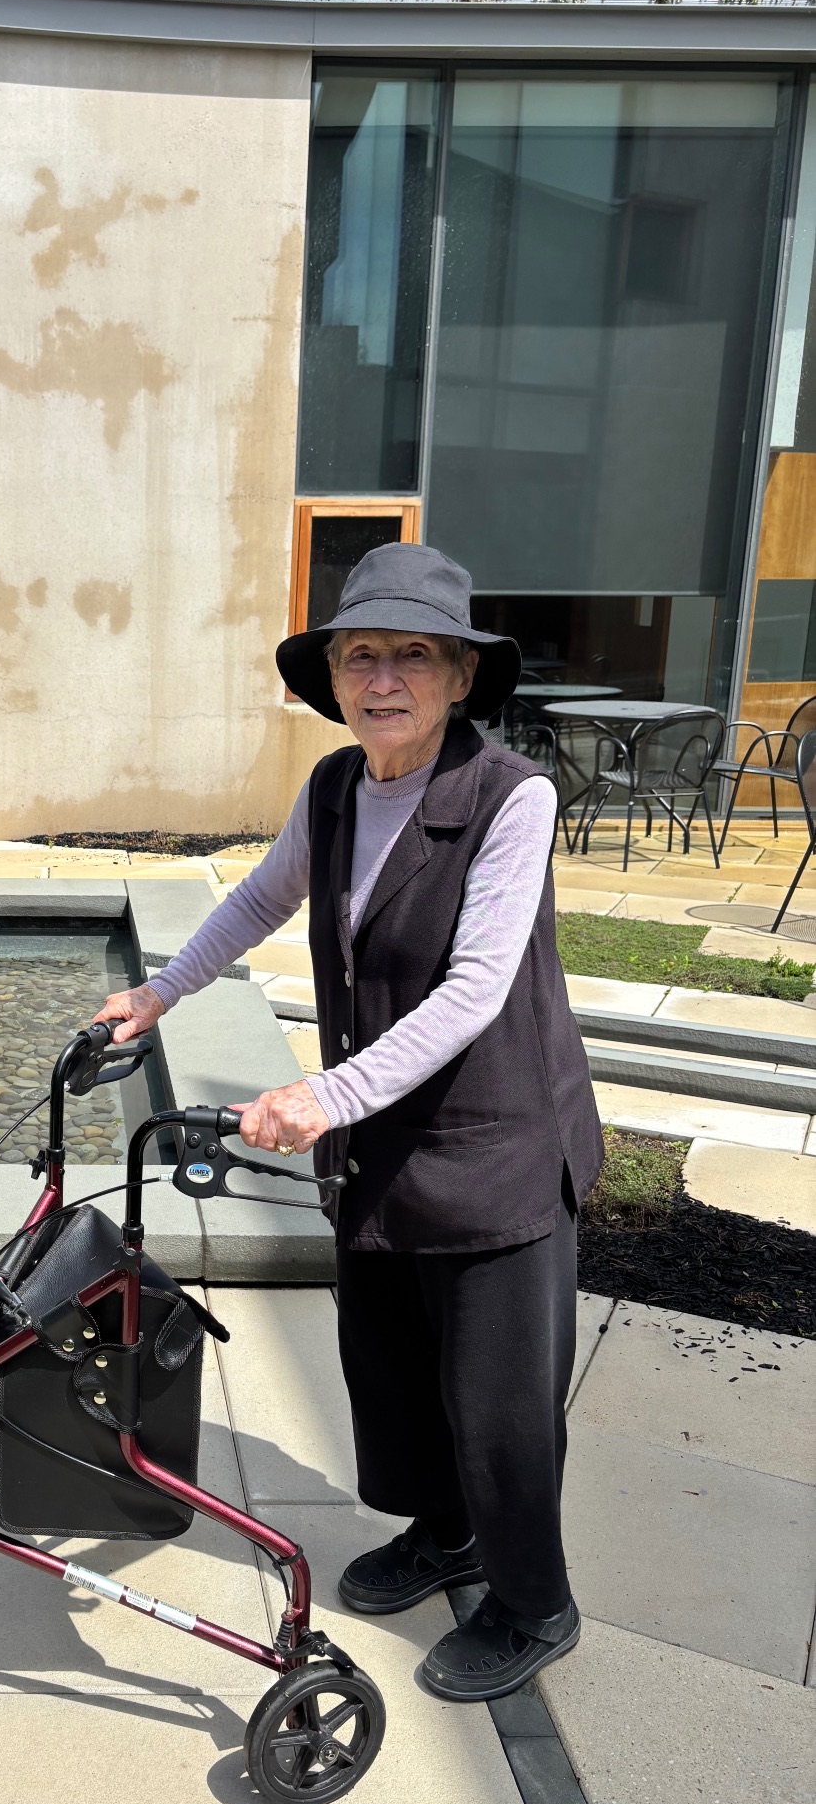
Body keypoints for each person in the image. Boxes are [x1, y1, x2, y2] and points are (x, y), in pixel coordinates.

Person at [93, 543, 602, 1701]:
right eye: (359, 654)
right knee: (403, 1371)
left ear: (460, 676)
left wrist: (321, 1096)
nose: (382, 679)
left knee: (501, 1401)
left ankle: (536, 1601)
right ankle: (448, 1534)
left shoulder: (512, 798)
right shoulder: (334, 789)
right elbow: (263, 896)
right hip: (384, 1149)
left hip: (497, 1149)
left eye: (413, 655)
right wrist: (160, 991)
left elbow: (476, 990)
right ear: (331, 677)